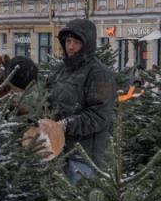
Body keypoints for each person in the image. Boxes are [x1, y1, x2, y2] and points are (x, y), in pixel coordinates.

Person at [45, 18, 116, 184]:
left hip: (84, 158)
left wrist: (66, 125)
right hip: (57, 152)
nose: (70, 47)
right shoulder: (59, 71)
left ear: (87, 44)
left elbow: (99, 115)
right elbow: (47, 100)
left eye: (76, 42)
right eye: (68, 41)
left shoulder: (100, 75)